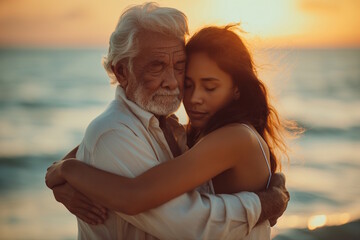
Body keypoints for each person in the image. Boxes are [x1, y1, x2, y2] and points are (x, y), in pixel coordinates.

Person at [46, 3, 290, 240]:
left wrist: (67, 170)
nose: (175, 84)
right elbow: (101, 148)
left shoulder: (222, 135)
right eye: (158, 66)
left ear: (237, 88)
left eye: (179, 67)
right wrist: (61, 170)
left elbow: (136, 196)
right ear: (121, 72)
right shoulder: (126, 133)